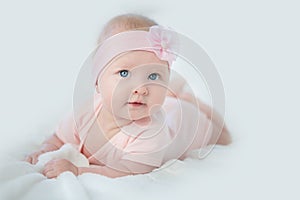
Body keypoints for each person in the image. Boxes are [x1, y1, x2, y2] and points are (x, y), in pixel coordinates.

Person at [25, 14, 231, 178]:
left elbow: (126, 171)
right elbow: (59, 137)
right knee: (173, 105)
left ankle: (191, 102)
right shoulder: (85, 113)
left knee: (220, 135)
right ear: (97, 80)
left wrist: (79, 171)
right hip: (171, 107)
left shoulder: (151, 134)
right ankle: (178, 97)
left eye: (153, 76)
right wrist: (45, 149)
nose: (141, 89)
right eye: (124, 73)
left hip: (184, 122)